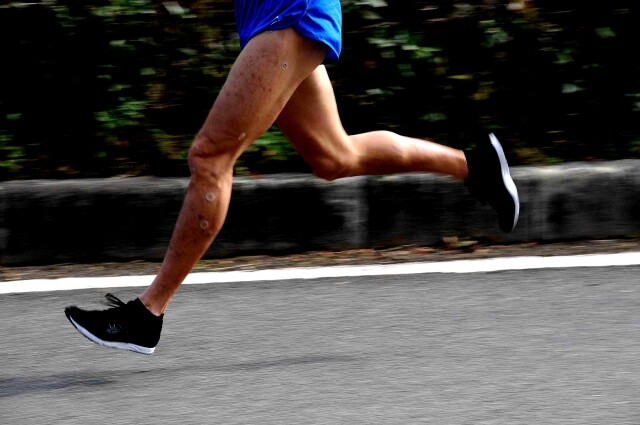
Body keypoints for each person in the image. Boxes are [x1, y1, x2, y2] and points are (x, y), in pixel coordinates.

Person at [64, 0, 520, 355]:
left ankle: (148, 313)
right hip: (273, 16)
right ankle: (476, 167)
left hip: (290, 12)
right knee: (334, 157)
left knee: (210, 157)